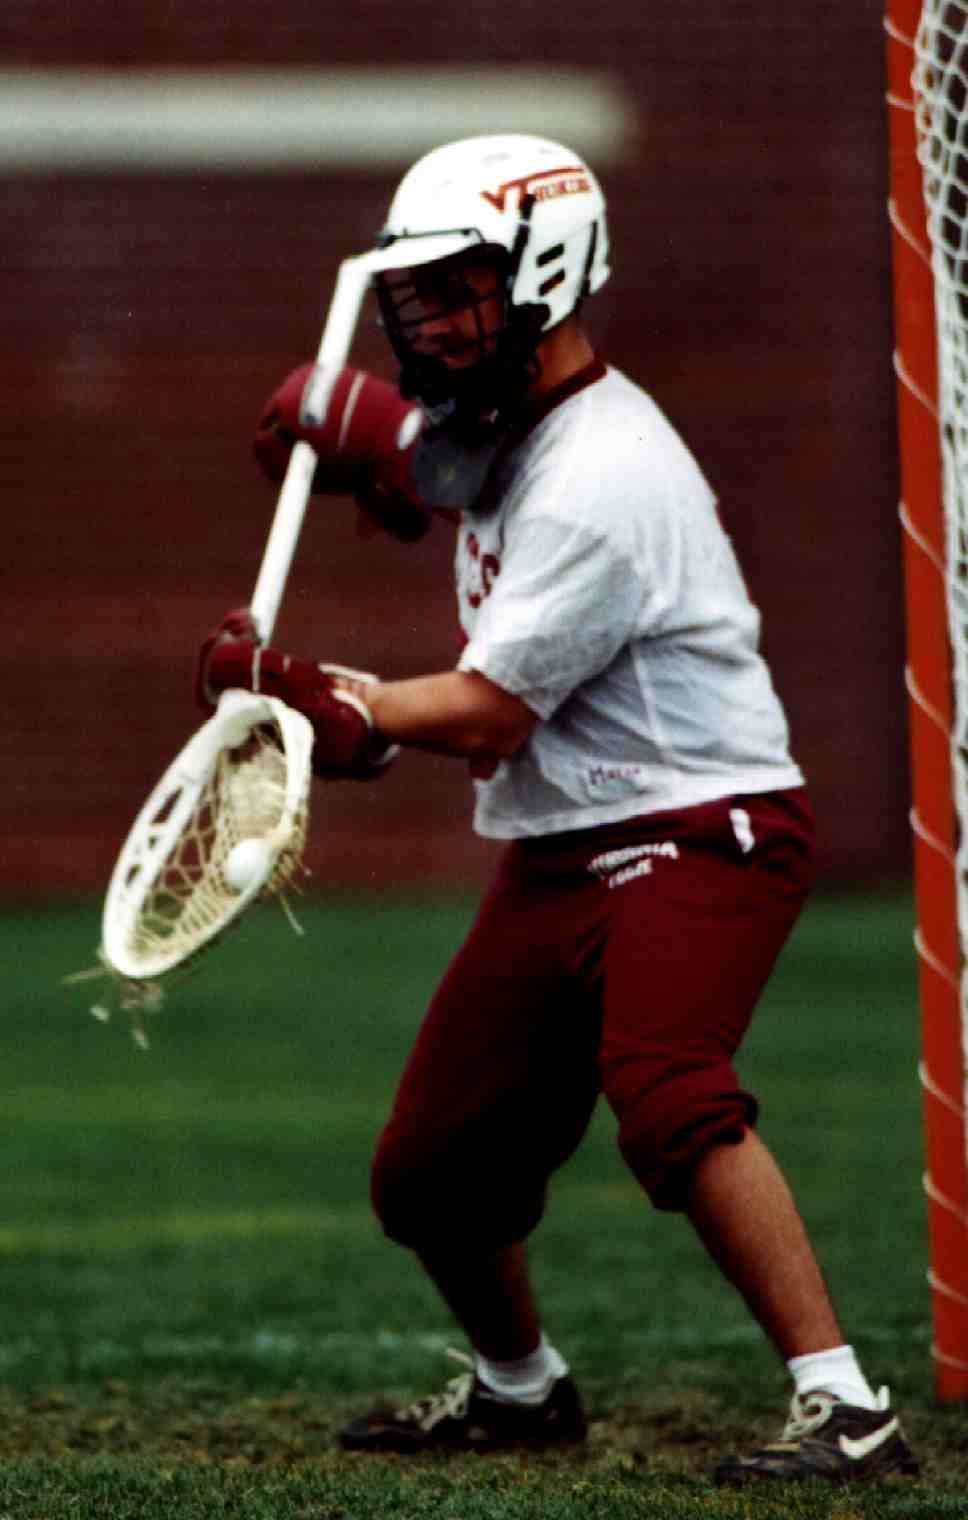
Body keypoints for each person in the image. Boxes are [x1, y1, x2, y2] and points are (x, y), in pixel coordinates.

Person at [197, 134, 917, 1485]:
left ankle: (844, 1406)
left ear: (546, 274)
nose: (429, 324)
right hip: (565, 841)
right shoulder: (515, 420)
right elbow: (449, 467)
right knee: (431, 1173)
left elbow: (485, 713)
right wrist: (367, 439)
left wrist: (327, 701)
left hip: (702, 829)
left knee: (670, 1094)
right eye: (416, 297)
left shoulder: (604, 476)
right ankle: (520, 1390)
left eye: (458, 290)